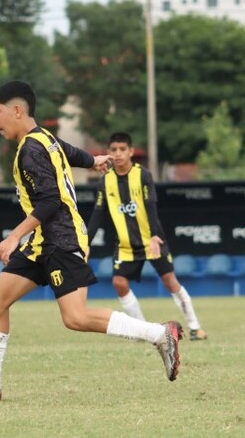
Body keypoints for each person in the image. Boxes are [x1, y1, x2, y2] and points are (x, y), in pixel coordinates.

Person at [0, 80, 184, 402]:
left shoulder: (31, 149)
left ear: (17, 110)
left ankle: (161, 334)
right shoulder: (42, 138)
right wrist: (94, 161)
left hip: (61, 239)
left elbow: (50, 202)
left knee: (75, 318)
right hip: (41, 243)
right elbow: (68, 150)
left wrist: (14, 235)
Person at [87, 132, 207, 341]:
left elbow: (151, 206)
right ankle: (142, 331)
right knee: (119, 282)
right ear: (108, 152)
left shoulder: (143, 175)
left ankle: (195, 328)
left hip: (152, 240)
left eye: (123, 149)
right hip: (125, 246)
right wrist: (85, 243)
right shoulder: (105, 182)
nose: (118, 154)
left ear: (131, 152)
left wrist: (153, 236)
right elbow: (98, 214)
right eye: (113, 150)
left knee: (170, 279)